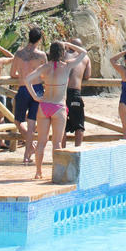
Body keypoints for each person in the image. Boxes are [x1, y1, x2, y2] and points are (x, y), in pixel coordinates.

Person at [25, 41, 89, 180]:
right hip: (58, 107)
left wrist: (35, 96)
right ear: (62, 52)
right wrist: (68, 44)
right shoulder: (67, 66)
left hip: (44, 106)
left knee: (41, 142)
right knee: (57, 143)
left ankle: (38, 172)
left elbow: (27, 79)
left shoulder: (45, 67)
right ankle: (56, 172)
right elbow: (84, 52)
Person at [10, 27, 47, 164]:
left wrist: (22, 75)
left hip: (23, 88)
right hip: (37, 88)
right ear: (39, 39)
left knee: (18, 121)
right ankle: (28, 153)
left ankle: (29, 149)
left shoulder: (19, 54)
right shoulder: (41, 55)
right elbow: (46, 73)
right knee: (32, 124)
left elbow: (13, 73)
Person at [62, 38, 91, 149]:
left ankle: (62, 150)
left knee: (62, 125)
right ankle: (77, 150)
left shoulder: (63, 55)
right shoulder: (85, 57)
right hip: (75, 93)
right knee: (79, 125)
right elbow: (87, 76)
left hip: (63, 92)